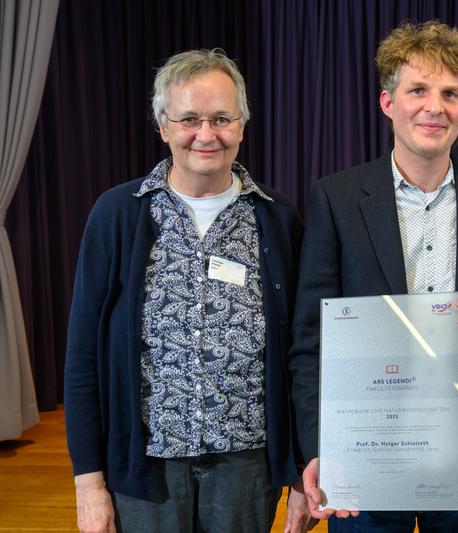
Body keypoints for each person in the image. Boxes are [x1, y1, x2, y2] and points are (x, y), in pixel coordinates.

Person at [289, 20, 458, 533]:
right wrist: (319, 450)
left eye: (451, 94)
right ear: (388, 103)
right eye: (418, 90)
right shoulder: (335, 199)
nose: (434, 106)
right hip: (366, 453)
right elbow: (311, 343)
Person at [64, 49, 312, 533]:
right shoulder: (118, 215)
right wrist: (88, 485)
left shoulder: (278, 219)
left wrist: (301, 474)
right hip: (146, 464)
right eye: (190, 119)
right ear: (162, 125)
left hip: (247, 463)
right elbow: (82, 359)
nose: (206, 134)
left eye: (222, 118)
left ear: (242, 125)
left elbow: (303, 355)